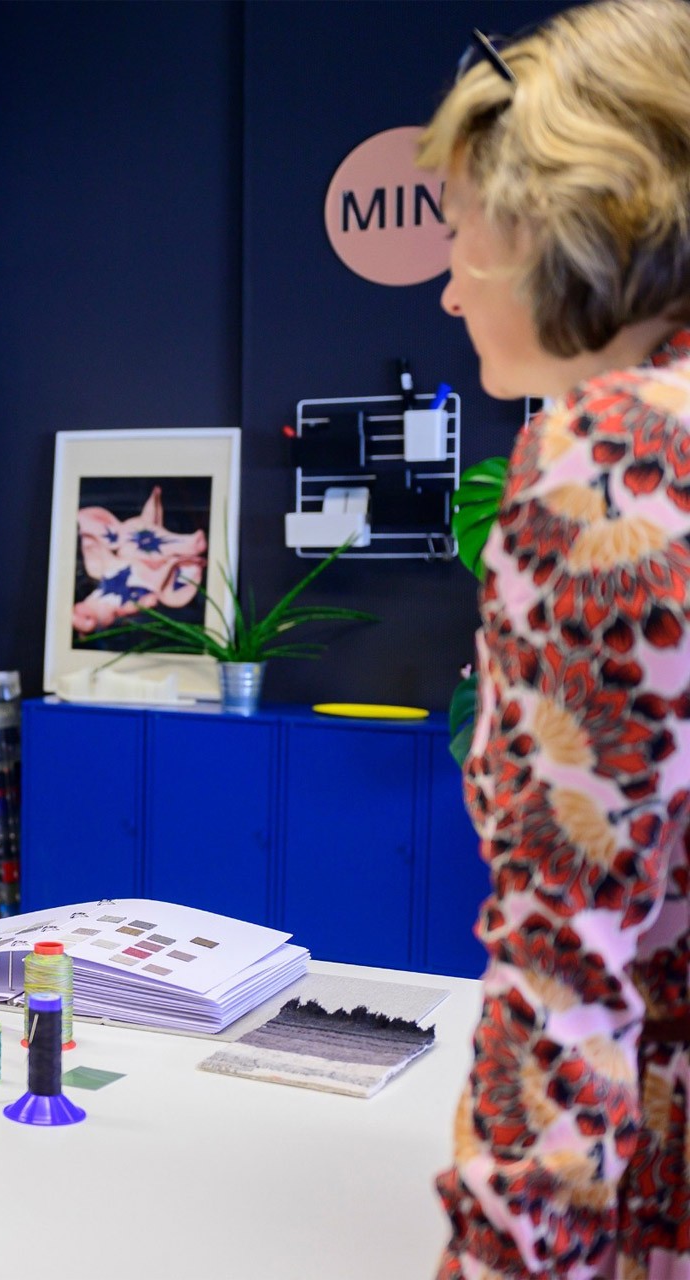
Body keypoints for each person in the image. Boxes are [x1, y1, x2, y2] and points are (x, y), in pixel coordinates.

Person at [419, 2, 690, 1273]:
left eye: (463, 235)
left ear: (558, 221)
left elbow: (566, 976)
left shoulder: (608, 460)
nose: (448, 279)